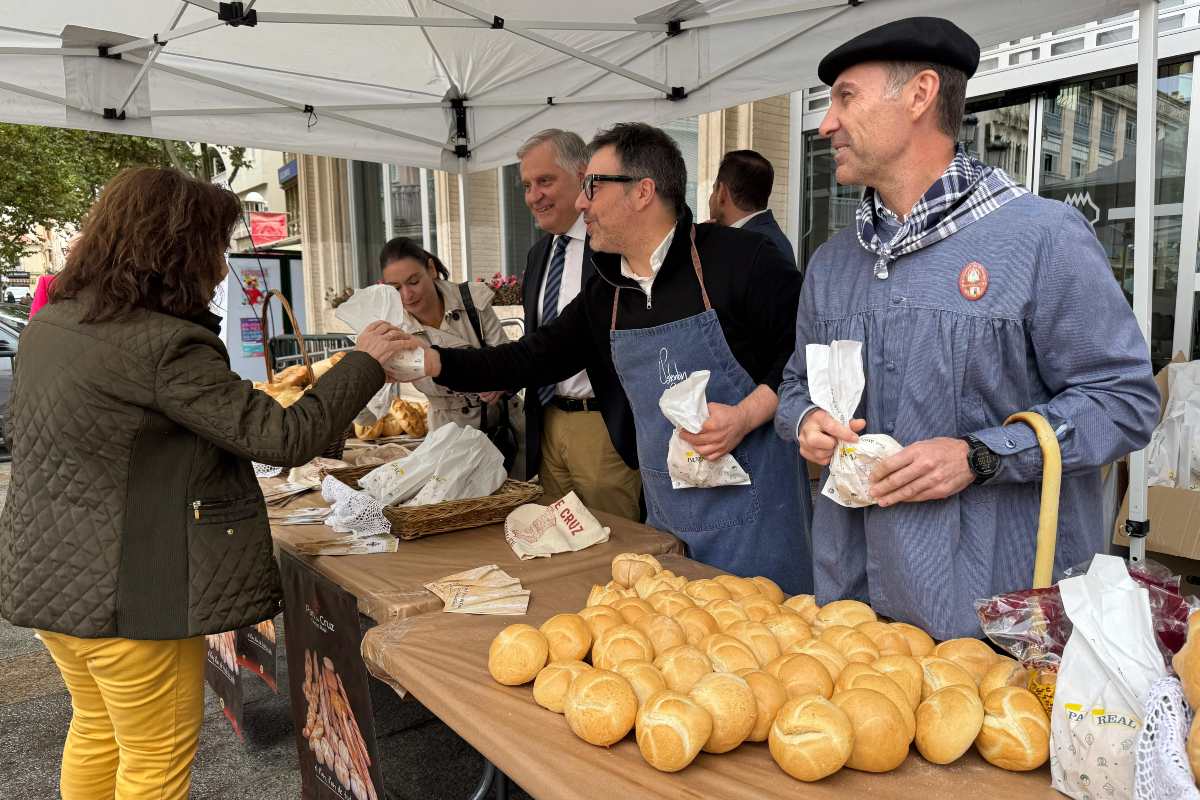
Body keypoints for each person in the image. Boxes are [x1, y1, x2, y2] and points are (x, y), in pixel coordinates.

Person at [0, 167, 409, 800]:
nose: (221, 268)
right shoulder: (159, 345)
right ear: (176, 249)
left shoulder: (56, 322)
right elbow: (283, 438)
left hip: (54, 584)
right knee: (155, 761)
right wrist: (364, 363)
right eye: (214, 247)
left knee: (99, 732)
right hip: (127, 596)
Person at [775, 17, 1159, 639]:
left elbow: (1126, 403)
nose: (825, 124)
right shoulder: (830, 264)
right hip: (853, 608)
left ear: (921, 94)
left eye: (846, 98)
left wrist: (982, 455)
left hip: (996, 621)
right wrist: (805, 422)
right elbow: (796, 384)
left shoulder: (1042, 239)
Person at [404, 122, 813, 594]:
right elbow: (530, 357)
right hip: (669, 526)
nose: (581, 202)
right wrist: (434, 361)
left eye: (593, 187)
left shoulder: (741, 260)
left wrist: (745, 414)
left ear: (642, 192)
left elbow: (802, 354)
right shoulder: (608, 293)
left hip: (759, 523)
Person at [518, 129, 641, 518]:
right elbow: (540, 340)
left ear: (582, 176)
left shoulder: (612, 245)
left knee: (618, 550)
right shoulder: (539, 255)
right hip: (547, 421)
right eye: (526, 185)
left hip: (602, 424)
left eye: (545, 181)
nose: (533, 196)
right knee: (559, 545)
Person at [371, 236, 527, 477]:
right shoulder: (394, 329)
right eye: (396, 288)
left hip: (505, 431)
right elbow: (372, 403)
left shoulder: (471, 300)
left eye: (413, 281)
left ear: (431, 269)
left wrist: (500, 383)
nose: (407, 295)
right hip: (450, 439)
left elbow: (507, 359)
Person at [708, 149, 796, 268]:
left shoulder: (743, 247)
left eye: (714, 189)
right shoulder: (772, 238)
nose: (711, 197)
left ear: (722, 193)